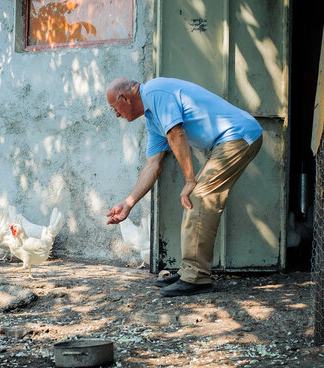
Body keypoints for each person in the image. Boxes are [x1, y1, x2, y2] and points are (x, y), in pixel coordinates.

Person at [105, 77, 263, 297]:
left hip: (239, 136)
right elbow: (153, 165)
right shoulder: (152, 119)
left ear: (124, 98)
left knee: (199, 196)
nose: (116, 114)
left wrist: (190, 181)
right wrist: (128, 203)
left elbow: (176, 134)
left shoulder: (155, 92)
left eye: (114, 107)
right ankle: (190, 270)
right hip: (227, 141)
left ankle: (196, 277)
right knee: (194, 200)